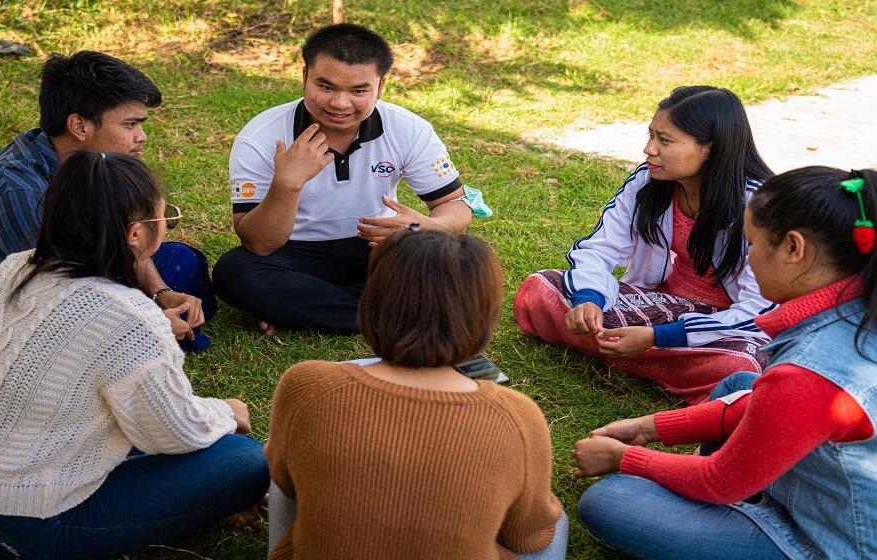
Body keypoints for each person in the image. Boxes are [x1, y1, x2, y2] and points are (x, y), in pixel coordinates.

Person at [0, 151, 268, 560]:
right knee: (244, 460)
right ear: (135, 235)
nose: (167, 227)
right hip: (11, 523)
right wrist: (227, 412)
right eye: (166, 219)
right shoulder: (130, 319)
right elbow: (176, 432)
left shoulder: (16, 267)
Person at [571, 166, 877, 560]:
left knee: (610, 500)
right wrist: (650, 427)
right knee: (739, 386)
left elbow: (721, 481)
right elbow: (773, 408)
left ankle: (744, 516)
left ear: (793, 249)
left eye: (752, 243)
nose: (748, 256)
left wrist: (623, 458)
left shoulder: (809, 372)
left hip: (829, 543)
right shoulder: (857, 312)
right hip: (831, 496)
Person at [0, 51, 215, 372]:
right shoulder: (16, 192)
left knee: (182, 263)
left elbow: (127, 236)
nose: (141, 136)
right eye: (130, 124)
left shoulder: (90, 161)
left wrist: (160, 293)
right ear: (79, 125)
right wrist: (146, 327)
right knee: (56, 358)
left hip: (64, 275)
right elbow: (39, 306)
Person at [264, 229, 567, 560]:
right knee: (555, 518)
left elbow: (284, 479)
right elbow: (527, 538)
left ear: (373, 302)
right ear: (483, 316)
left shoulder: (306, 384)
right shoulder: (518, 415)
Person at [514, 86, 775, 403]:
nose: (649, 149)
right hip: (659, 305)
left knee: (738, 366)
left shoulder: (761, 206)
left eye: (664, 141)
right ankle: (644, 356)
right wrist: (589, 300)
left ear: (711, 148)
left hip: (725, 327)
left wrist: (658, 337)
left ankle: (630, 351)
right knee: (540, 289)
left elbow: (758, 313)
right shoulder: (649, 180)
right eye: (651, 136)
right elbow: (599, 249)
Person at [212, 23, 473, 334]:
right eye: (326, 86)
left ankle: (301, 309)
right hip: (292, 253)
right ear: (305, 76)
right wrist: (287, 184)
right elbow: (258, 244)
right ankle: (392, 314)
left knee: (462, 262)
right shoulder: (260, 136)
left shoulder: (409, 129)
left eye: (359, 90)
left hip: (377, 246)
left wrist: (429, 226)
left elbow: (454, 204)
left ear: (381, 86)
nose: (340, 103)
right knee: (234, 272)